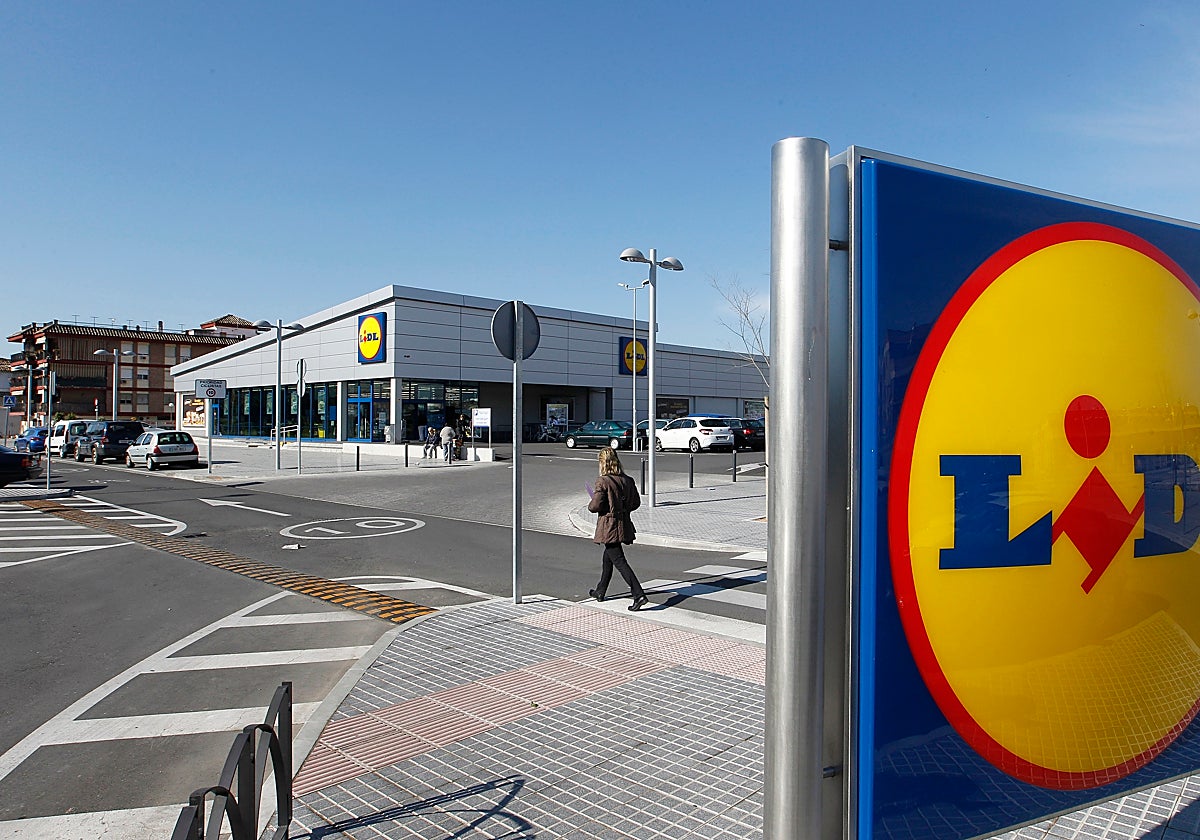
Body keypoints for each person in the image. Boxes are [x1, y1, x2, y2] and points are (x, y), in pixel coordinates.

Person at [587, 448, 648, 611]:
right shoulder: (628, 480)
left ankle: (638, 594)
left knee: (619, 560)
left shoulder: (602, 481)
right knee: (608, 557)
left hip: (609, 526)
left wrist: (593, 502)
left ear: (602, 463)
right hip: (623, 523)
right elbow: (636, 503)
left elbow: (594, 506)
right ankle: (600, 591)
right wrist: (622, 509)